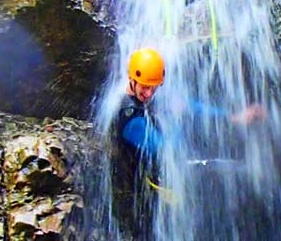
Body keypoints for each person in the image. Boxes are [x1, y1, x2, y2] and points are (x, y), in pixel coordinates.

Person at [111, 47, 262, 239]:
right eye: (144, 87)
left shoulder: (142, 98)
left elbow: (192, 106)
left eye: (153, 87)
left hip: (170, 170)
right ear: (132, 80)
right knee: (233, 174)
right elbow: (166, 150)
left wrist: (233, 117)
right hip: (159, 185)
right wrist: (177, 120)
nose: (149, 93)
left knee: (233, 174)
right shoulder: (129, 118)